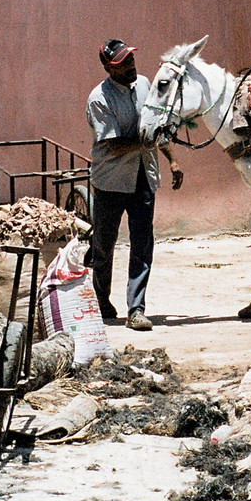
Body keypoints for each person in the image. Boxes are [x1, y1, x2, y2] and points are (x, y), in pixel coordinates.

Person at [86, 39, 182, 331]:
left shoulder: (144, 85)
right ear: (108, 67)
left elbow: (156, 127)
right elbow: (114, 146)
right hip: (111, 181)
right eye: (122, 63)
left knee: (142, 244)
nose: (131, 66)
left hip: (143, 177)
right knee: (104, 245)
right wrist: (148, 142)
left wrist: (172, 160)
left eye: (131, 60)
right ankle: (102, 300)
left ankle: (136, 309)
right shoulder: (99, 99)